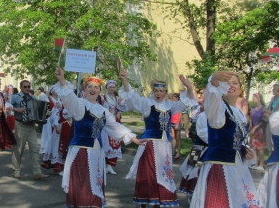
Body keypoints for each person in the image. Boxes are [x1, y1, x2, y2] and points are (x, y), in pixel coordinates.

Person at [54, 67, 144, 207]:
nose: (93, 89)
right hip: (81, 151)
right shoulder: (79, 104)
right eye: (90, 86)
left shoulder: (103, 111)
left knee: (94, 182)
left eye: (96, 87)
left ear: (100, 91)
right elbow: (68, 98)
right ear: (84, 89)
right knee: (81, 183)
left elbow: (115, 127)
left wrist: (133, 138)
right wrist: (62, 80)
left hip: (97, 152)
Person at [119, 69, 195, 208]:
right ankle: (144, 201)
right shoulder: (147, 104)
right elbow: (131, 98)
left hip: (164, 145)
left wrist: (189, 87)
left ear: (165, 92)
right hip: (150, 144)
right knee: (149, 173)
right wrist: (125, 80)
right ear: (153, 92)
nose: (158, 94)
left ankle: (159, 202)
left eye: (161, 91)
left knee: (163, 172)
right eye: (156, 91)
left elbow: (186, 101)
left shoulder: (170, 106)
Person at [190, 71, 258, 207]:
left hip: (237, 167)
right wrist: (214, 81)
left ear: (240, 89)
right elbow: (211, 100)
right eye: (226, 83)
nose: (231, 85)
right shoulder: (218, 109)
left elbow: (236, 140)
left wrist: (245, 151)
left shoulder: (238, 112)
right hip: (220, 166)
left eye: (235, 83)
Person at [11, 80, 49, 179]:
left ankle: (37, 172)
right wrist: (16, 109)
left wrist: (46, 113)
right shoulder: (15, 97)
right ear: (21, 87)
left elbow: (38, 110)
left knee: (35, 149)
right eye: (25, 87)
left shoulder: (33, 97)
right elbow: (7, 107)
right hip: (20, 125)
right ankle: (16, 170)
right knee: (18, 149)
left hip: (31, 126)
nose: (27, 88)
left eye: (28, 86)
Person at [101, 79, 128, 175]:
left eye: (113, 87)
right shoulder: (103, 98)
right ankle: (103, 164)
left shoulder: (117, 98)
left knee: (115, 143)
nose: (112, 89)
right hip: (106, 123)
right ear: (107, 88)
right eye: (110, 87)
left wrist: (119, 112)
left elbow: (123, 107)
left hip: (115, 123)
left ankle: (110, 165)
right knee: (106, 143)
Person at [249, 93, 266, 171]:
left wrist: (256, 127)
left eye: (254, 98)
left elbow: (264, 120)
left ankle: (261, 164)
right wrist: (250, 126)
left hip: (260, 130)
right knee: (254, 148)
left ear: (259, 98)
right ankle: (255, 164)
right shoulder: (252, 108)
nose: (253, 99)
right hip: (253, 130)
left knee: (260, 148)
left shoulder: (263, 108)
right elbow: (251, 119)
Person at [169, 93, 183, 159]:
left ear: (177, 98)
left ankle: (178, 152)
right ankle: (173, 151)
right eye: (172, 97)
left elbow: (180, 115)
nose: (173, 99)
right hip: (171, 122)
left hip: (177, 122)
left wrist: (177, 123)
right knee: (173, 137)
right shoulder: (172, 104)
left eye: (174, 97)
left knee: (178, 137)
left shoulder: (179, 104)